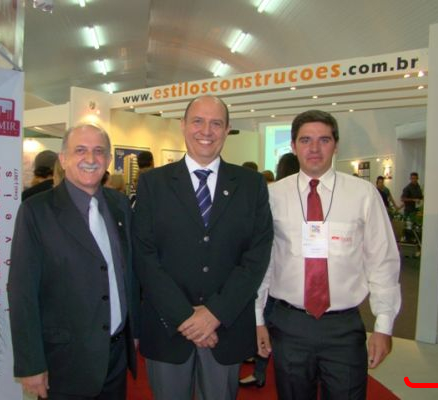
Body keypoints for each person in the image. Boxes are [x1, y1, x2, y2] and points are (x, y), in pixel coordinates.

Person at [132, 95, 273, 400]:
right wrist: (185, 317)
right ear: (183, 125)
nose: (206, 131)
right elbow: (144, 257)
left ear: (227, 130)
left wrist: (214, 314)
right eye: (198, 121)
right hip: (168, 328)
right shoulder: (153, 184)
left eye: (216, 123)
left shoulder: (251, 185)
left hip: (225, 329)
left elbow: (257, 256)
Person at [255, 110, 401, 399]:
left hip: (343, 327)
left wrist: (384, 325)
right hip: (289, 325)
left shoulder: (363, 194)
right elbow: (262, 263)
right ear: (293, 146)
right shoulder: (272, 196)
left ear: (336, 145)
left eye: (323, 140)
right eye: (305, 140)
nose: (314, 148)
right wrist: (257, 318)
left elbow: (382, 261)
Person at [8, 124, 139, 399]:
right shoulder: (36, 211)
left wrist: (133, 331)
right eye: (80, 150)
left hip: (116, 356)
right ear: (63, 158)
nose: (90, 159)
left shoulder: (119, 205)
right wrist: (31, 364)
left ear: (108, 159)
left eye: (98, 151)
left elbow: (128, 272)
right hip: (65, 361)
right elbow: (22, 291)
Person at [239, 152, 300, 389]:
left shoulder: (272, 195)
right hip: (285, 276)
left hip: (271, 273)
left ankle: (259, 369)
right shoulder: (276, 195)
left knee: (264, 319)